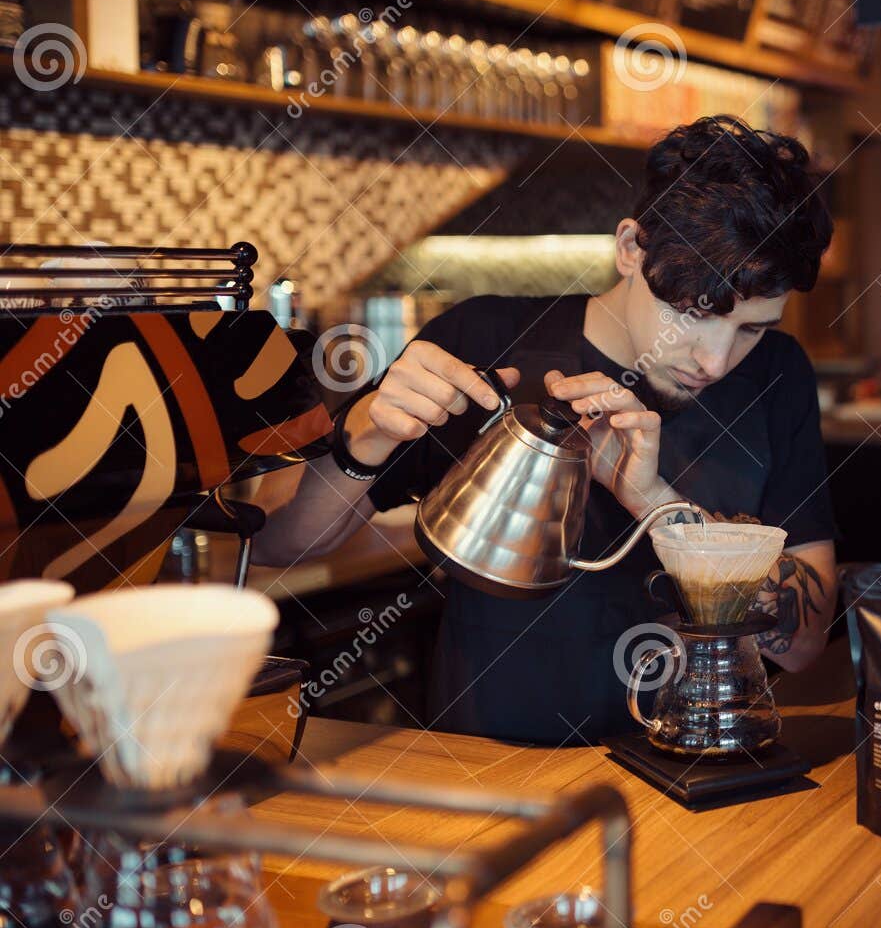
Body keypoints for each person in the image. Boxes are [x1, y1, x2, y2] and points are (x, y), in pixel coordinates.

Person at [254, 116, 838, 743]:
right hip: (496, 774)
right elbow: (275, 544)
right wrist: (365, 434)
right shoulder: (484, 343)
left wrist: (652, 501)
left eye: (752, 328)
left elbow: (803, 645)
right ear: (631, 248)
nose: (715, 361)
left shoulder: (777, 378)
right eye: (695, 312)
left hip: (695, 774)